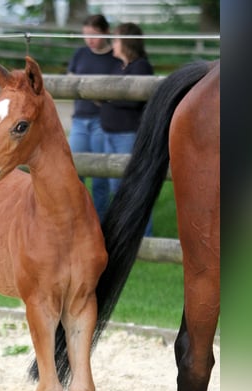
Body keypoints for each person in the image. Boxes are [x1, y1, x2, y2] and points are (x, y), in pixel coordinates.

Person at [100, 22, 155, 236]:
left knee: (135, 186)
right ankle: (124, 232)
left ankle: (144, 235)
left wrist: (107, 98)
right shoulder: (117, 66)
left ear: (127, 42)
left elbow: (134, 102)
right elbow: (105, 93)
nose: (112, 43)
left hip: (127, 136)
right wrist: (110, 97)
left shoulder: (141, 66)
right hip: (109, 133)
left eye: (116, 39)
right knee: (116, 188)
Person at [67, 14, 119, 223]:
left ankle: (100, 222)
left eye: (94, 35)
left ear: (105, 32)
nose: (89, 40)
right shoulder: (80, 54)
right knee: (74, 172)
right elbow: (69, 79)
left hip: (102, 123)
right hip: (79, 121)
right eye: (85, 35)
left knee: (100, 177)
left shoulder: (115, 56)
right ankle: (76, 220)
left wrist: (102, 97)